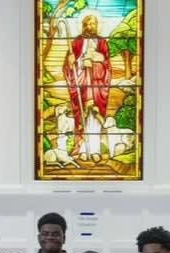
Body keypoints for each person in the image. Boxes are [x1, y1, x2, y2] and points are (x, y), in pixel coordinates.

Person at [63, 13, 111, 159]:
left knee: (95, 117)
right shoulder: (77, 42)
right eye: (87, 24)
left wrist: (94, 65)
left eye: (93, 24)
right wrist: (74, 62)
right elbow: (68, 66)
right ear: (83, 26)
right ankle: (83, 149)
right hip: (82, 84)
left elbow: (108, 66)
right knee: (82, 116)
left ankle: (95, 150)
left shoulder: (102, 43)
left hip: (97, 87)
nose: (90, 27)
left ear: (97, 25)